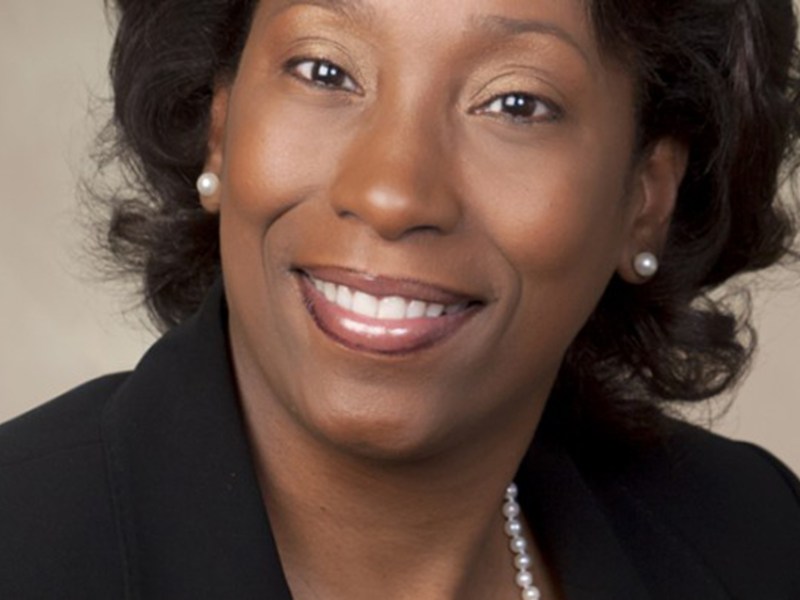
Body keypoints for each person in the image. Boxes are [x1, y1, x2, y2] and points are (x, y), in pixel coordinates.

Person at [1, 0, 799, 598]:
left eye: (515, 103)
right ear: (220, 126)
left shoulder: (757, 540)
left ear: (646, 198)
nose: (391, 194)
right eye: (324, 71)